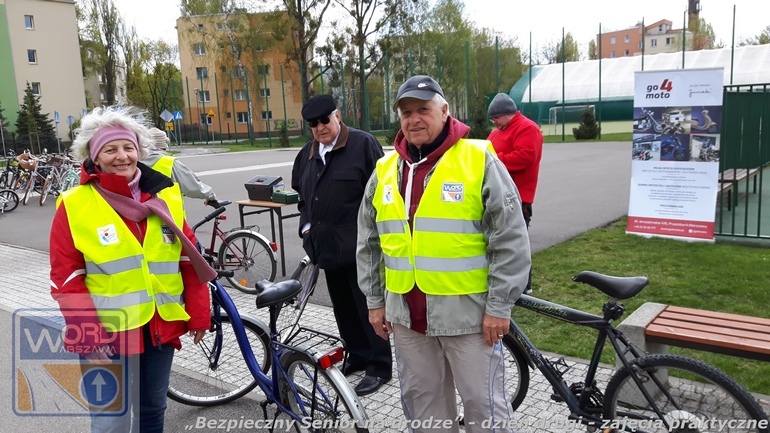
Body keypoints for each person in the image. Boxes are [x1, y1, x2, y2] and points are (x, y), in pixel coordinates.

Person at [356, 75, 531, 433]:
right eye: (406, 112)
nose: (414, 119)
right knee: (425, 409)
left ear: (444, 110)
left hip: (468, 318)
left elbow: (509, 238)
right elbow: (369, 242)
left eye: (423, 109)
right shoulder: (385, 170)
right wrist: (376, 302)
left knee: (485, 409)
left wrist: (499, 307)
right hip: (407, 318)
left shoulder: (478, 159)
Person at [49, 106, 215, 432]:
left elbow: (188, 259)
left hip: (159, 326)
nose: (121, 156)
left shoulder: (163, 195)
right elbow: (67, 277)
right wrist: (86, 333)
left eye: (128, 147)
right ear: (94, 157)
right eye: (110, 149)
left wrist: (198, 313)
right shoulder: (74, 204)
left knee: (153, 410)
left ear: (139, 151)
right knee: (111, 421)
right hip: (107, 334)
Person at [291, 94, 391, 396]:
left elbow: (385, 191)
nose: (320, 127)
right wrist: (307, 230)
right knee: (343, 309)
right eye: (313, 124)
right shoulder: (307, 154)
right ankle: (357, 354)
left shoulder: (363, 144)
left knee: (368, 308)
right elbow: (303, 197)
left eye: (325, 120)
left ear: (338, 116)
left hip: (361, 247)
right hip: (326, 246)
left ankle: (380, 365)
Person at [487, 92, 543, 294]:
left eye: (496, 118)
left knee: (517, 245)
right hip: (496, 195)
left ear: (508, 113)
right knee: (498, 242)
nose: (494, 122)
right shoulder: (496, 132)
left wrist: (494, 162)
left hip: (518, 197)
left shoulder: (527, 128)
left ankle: (524, 287)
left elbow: (525, 156)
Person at [142, 127, 217, 204]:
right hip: (165, 213)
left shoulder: (134, 161)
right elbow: (192, 186)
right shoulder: (168, 162)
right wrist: (210, 196)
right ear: (164, 146)